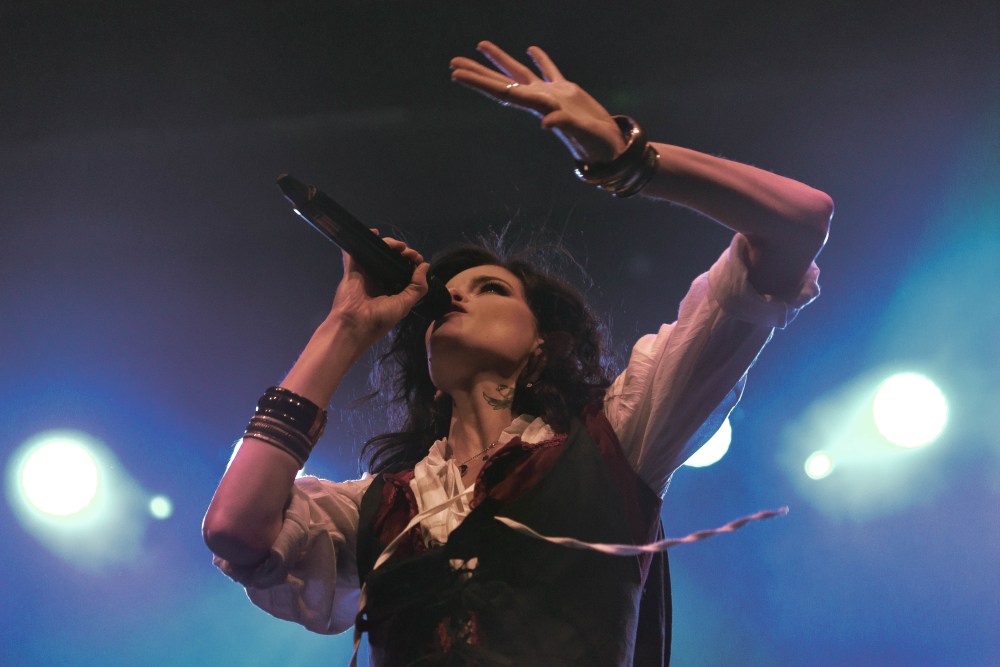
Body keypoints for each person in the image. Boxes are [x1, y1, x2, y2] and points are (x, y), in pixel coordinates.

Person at [203, 41, 832, 666]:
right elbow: (235, 528)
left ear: (542, 343)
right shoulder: (373, 508)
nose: (456, 297)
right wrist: (343, 327)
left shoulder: (616, 438)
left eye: (491, 289)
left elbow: (799, 221)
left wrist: (627, 159)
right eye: (449, 294)